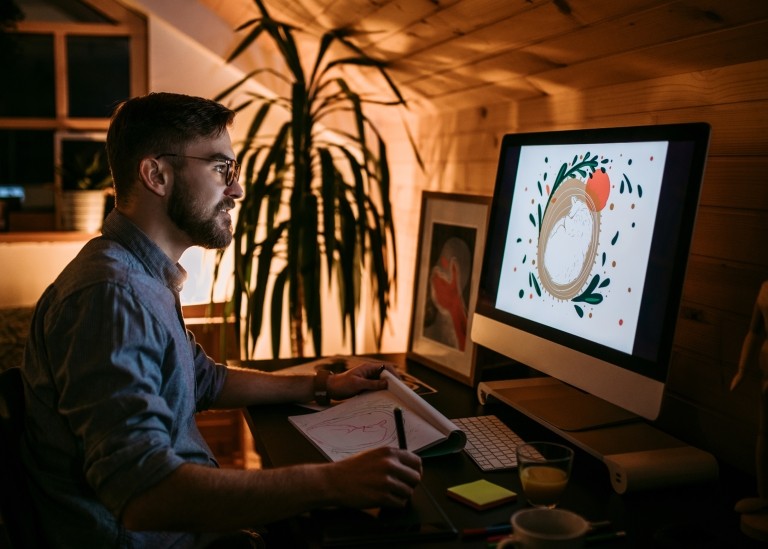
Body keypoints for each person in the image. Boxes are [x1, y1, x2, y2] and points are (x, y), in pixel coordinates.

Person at [20, 92, 422, 548]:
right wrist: (330, 483)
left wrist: (324, 385)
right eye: (220, 169)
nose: (237, 189)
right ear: (156, 175)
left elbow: (203, 378)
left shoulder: (142, 276)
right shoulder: (112, 298)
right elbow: (143, 493)